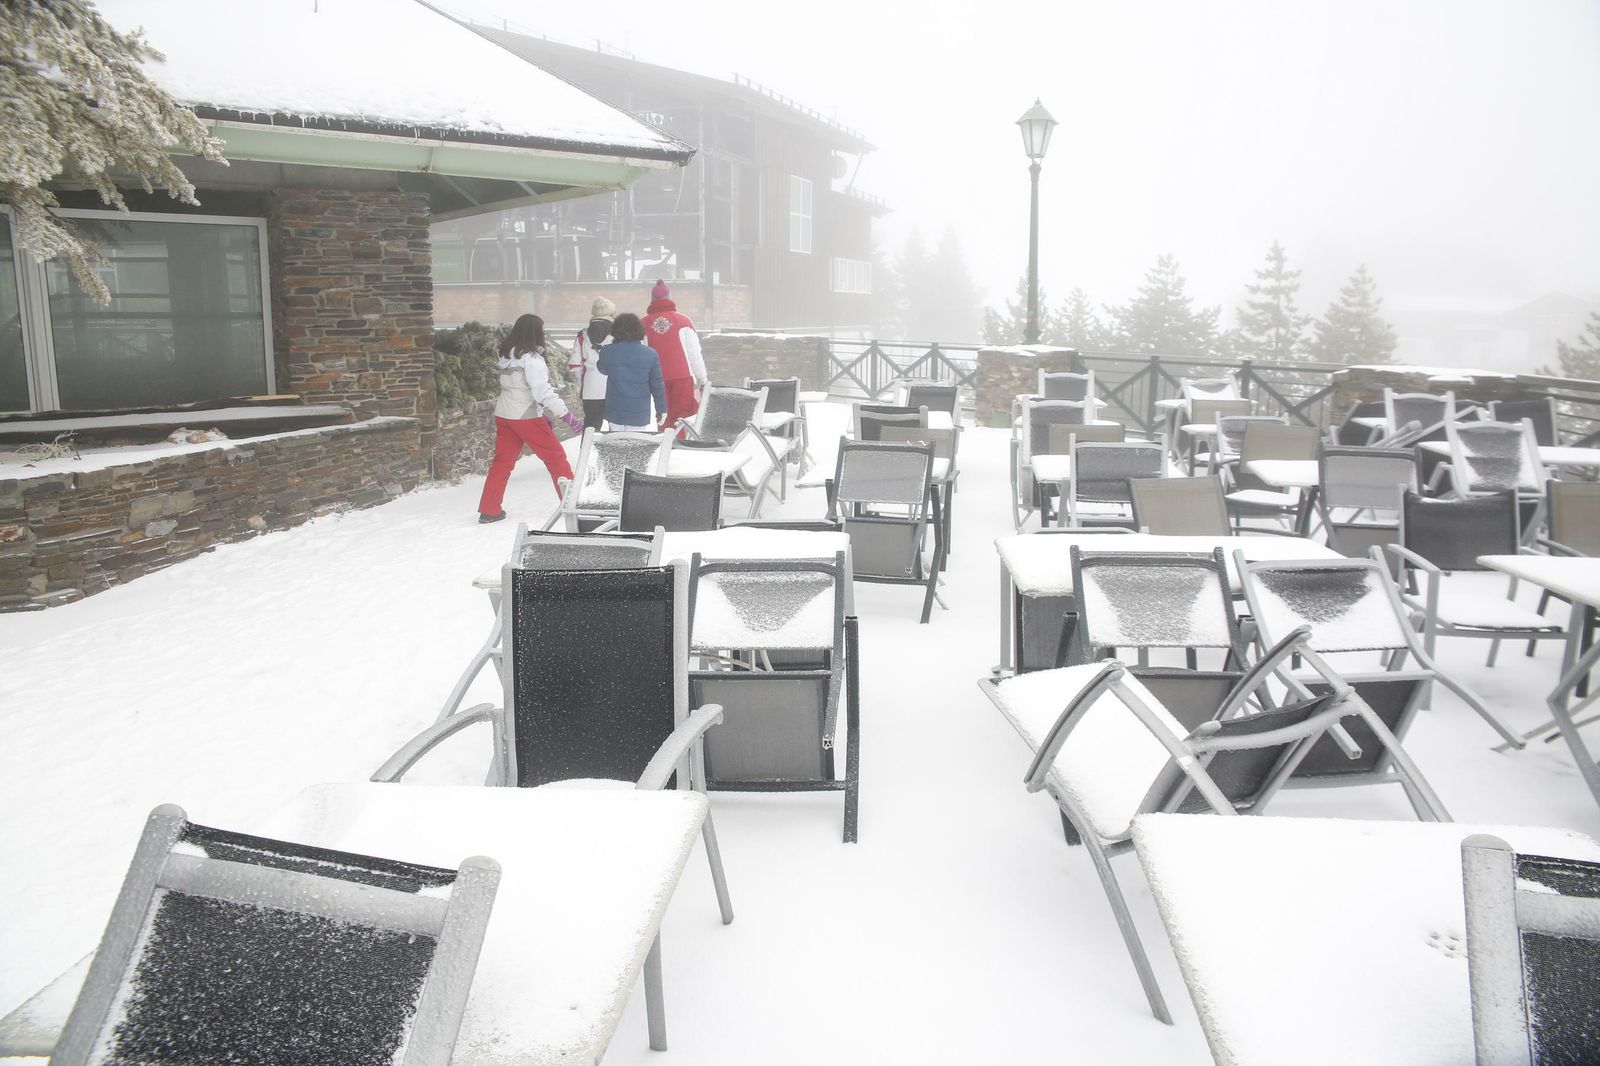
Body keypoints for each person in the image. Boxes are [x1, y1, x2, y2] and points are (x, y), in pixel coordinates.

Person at [476, 313, 583, 524]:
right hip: (526, 416)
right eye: (541, 329)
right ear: (535, 332)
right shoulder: (532, 359)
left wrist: (542, 413)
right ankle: (573, 505)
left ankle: (489, 509)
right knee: (556, 458)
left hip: (505, 414)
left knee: (502, 463)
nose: (544, 333)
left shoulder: (506, 354)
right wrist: (568, 416)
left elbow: (519, 388)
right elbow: (542, 392)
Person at [641, 279, 707, 431]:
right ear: (669, 298)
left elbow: (640, 356)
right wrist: (702, 378)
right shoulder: (683, 321)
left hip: (657, 378)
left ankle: (665, 443)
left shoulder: (642, 324)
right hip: (682, 376)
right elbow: (694, 354)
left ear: (652, 299)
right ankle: (681, 443)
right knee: (683, 418)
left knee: (663, 416)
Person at [597, 312, 667, 432]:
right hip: (639, 411)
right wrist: (661, 409)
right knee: (636, 442)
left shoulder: (608, 351)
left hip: (616, 409)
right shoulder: (650, 354)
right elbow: (657, 385)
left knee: (615, 441)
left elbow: (602, 369)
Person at [567, 296, 614, 431]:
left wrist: (582, 378)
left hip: (590, 388)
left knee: (591, 429)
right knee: (616, 429)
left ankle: (587, 445)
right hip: (615, 387)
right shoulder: (618, 334)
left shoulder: (583, 334)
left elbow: (574, 365)